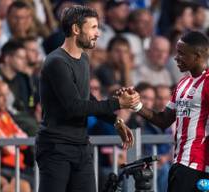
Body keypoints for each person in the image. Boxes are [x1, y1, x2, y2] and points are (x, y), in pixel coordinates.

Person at [35, 5, 138, 192]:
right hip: (56, 148)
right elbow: (73, 106)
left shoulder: (83, 59)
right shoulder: (56, 61)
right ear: (76, 29)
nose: (98, 33)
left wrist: (115, 120)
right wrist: (117, 104)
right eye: (93, 27)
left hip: (81, 146)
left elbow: (85, 97)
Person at [124, 31, 209, 192]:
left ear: (197, 56)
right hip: (179, 165)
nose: (175, 58)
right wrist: (136, 105)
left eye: (181, 53)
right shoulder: (182, 83)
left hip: (199, 168)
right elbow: (163, 120)